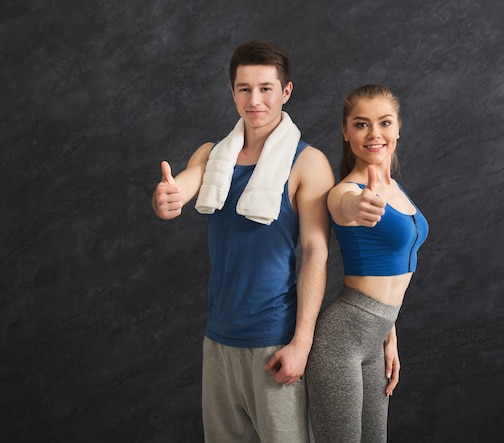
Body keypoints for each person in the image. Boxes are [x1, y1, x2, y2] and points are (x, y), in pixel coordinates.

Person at [152, 40, 334, 442]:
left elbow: (316, 253)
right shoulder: (212, 156)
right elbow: (178, 191)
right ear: (233, 92)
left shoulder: (308, 163)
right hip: (217, 340)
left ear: (286, 92)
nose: (255, 100)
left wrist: (302, 344)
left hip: (275, 339)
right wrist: (166, 198)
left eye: (266, 88)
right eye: (244, 88)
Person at [305, 84, 429, 442]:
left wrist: (389, 337)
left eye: (384, 123)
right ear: (345, 132)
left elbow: (389, 276)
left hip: (375, 339)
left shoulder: (395, 189)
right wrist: (357, 206)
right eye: (361, 125)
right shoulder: (349, 191)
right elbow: (343, 205)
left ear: (398, 127)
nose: (374, 134)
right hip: (340, 342)